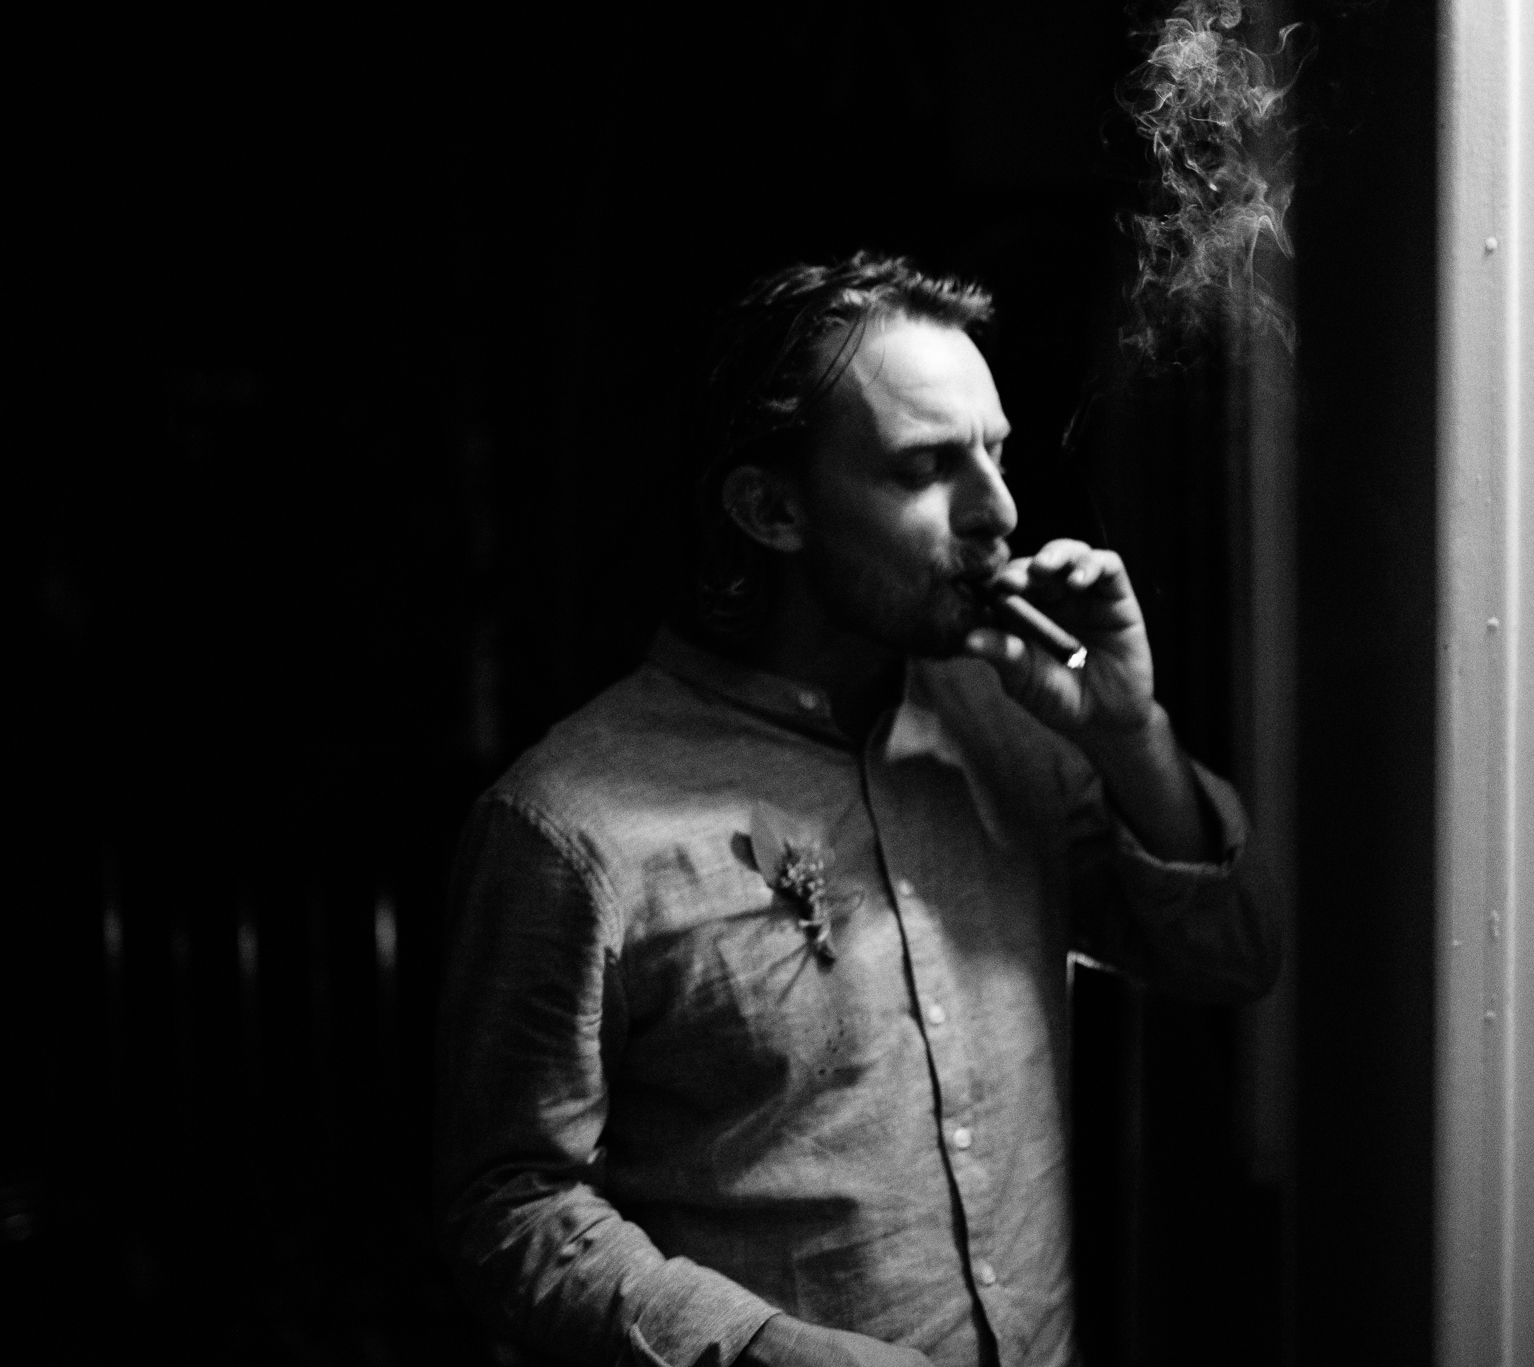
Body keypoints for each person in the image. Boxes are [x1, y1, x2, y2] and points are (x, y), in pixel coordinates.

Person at [434, 252, 1280, 1367]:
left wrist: (1129, 731)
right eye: (928, 466)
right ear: (772, 507)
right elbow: (509, 1207)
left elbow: (1234, 953)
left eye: (996, 452)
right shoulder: (566, 826)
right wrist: (765, 1352)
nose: (999, 509)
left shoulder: (1011, 721)